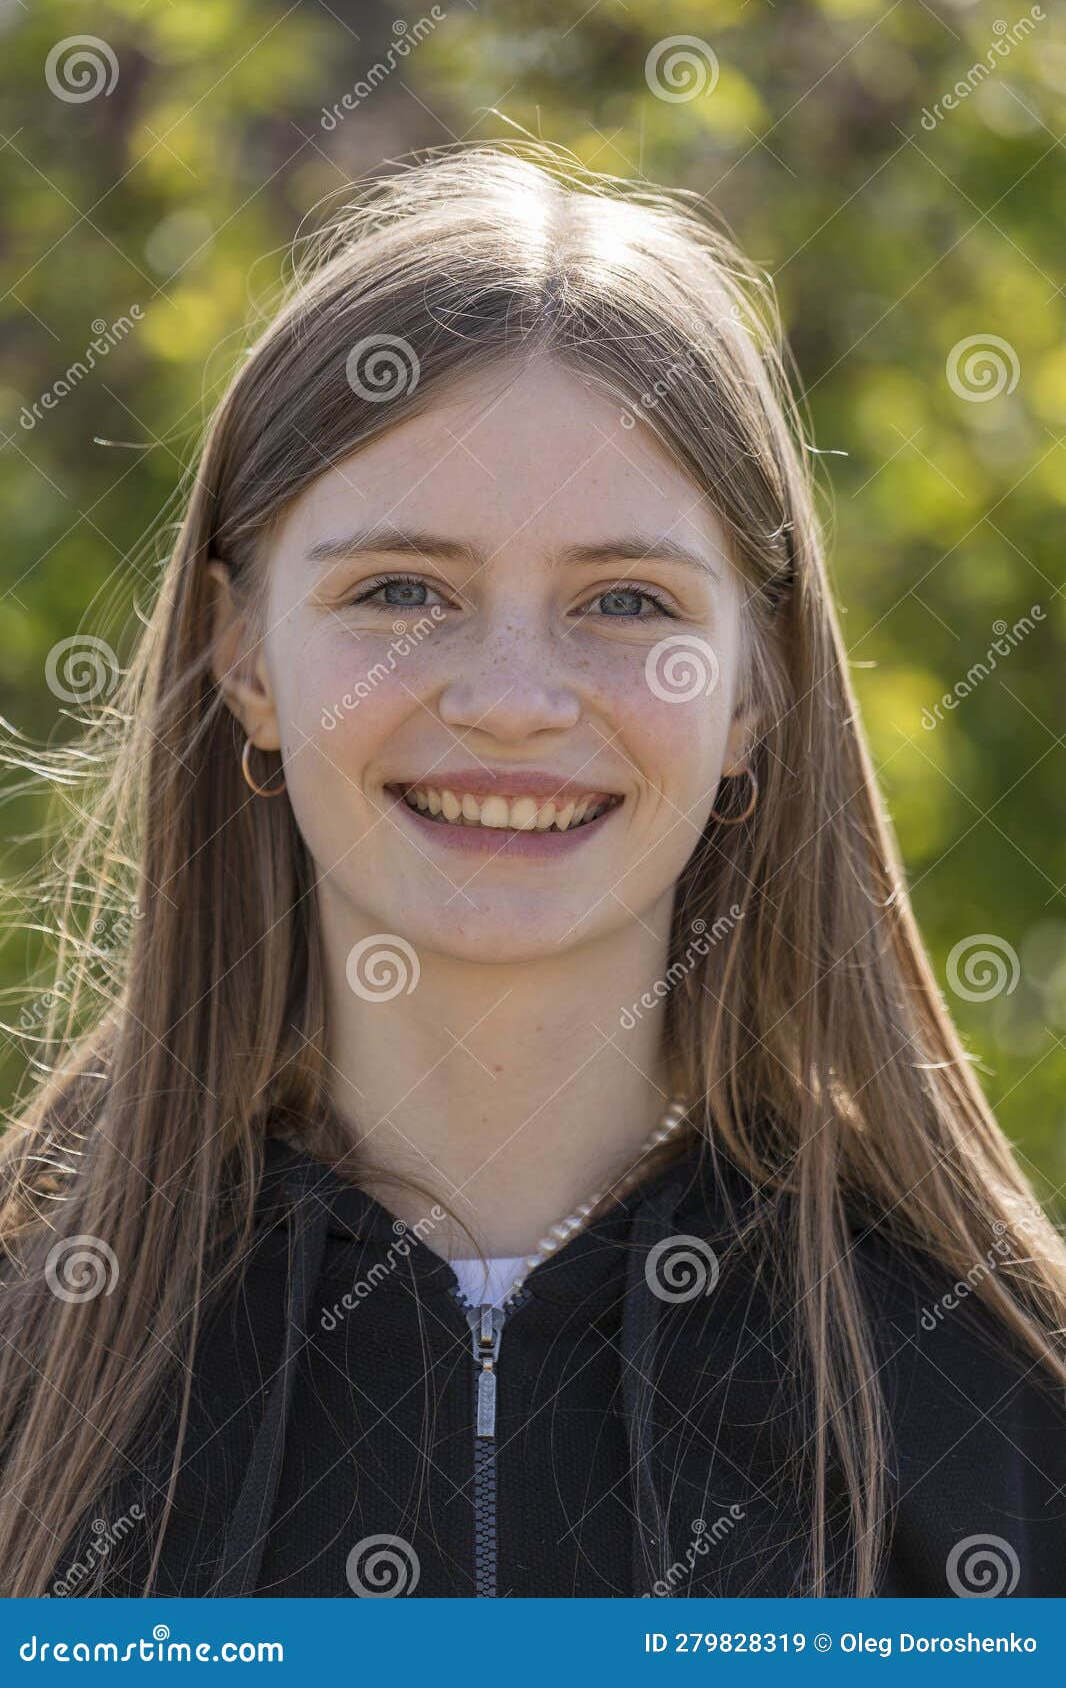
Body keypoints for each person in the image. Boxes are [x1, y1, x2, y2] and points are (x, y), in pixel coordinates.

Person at [1, 143, 1063, 1600]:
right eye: (400, 591)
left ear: (755, 682)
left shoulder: (1005, 1403)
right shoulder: (32, 1369)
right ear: (239, 650)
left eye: (624, 600)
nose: (513, 697)